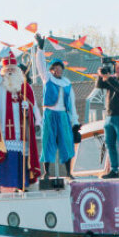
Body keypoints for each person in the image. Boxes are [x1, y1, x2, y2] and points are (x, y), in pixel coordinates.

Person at [0, 49, 42, 192]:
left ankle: (21, 184)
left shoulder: (24, 85)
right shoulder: (0, 83)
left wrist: (28, 107)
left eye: (12, 69)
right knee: (2, 154)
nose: (10, 71)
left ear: (17, 70)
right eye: (7, 69)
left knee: (21, 156)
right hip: (3, 127)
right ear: (3, 70)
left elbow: (33, 104)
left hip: (20, 127)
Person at [33, 34, 80, 179]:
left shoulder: (67, 83)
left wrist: (75, 122)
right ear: (52, 69)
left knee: (66, 143)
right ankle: (46, 172)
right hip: (50, 113)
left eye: (59, 68)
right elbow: (40, 65)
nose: (57, 70)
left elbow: (71, 104)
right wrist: (40, 48)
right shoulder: (47, 78)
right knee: (48, 141)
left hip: (63, 115)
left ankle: (68, 173)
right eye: (55, 68)